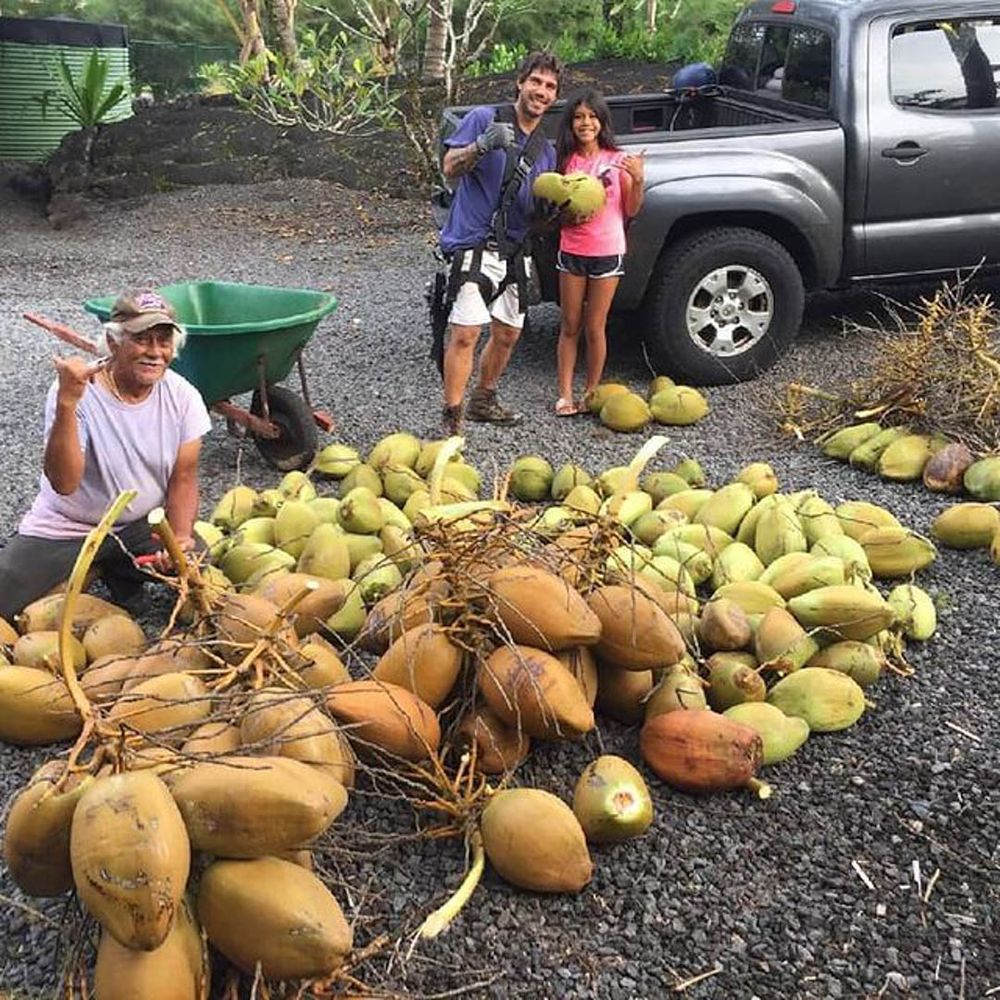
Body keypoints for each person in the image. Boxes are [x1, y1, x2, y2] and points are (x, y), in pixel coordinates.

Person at [0, 290, 212, 622]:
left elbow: (184, 477)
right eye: (142, 340)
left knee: (200, 568)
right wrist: (67, 404)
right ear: (114, 343)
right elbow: (64, 483)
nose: (155, 352)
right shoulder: (79, 390)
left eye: (163, 341)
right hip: (68, 527)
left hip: (139, 525)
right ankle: (103, 566)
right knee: (3, 597)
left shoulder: (183, 397)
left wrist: (181, 537)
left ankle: (118, 569)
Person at [438, 51, 562, 434]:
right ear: (520, 83)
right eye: (536, 82)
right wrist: (481, 145)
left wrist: (551, 210)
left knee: (508, 333)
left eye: (550, 87)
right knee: (466, 333)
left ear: (555, 97)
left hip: (514, 250)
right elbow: (449, 167)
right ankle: (452, 420)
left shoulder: (546, 151)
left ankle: (483, 399)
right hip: (473, 242)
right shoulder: (483, 119)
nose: (541, 91)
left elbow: (535, 214)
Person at [553, 89, 644, 414]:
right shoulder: (564, 161)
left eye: (592, 116)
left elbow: (631, 210)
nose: (585, 123)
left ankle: (591, 392)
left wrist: (639, 180)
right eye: (578, 117)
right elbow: (554, 210)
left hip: (607, 250)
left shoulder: (618, 160)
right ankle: (564, 394)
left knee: (595, 327)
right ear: (571, 123)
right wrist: (568, 214)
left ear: (602, 121)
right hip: (572, 250)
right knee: (569, 325)